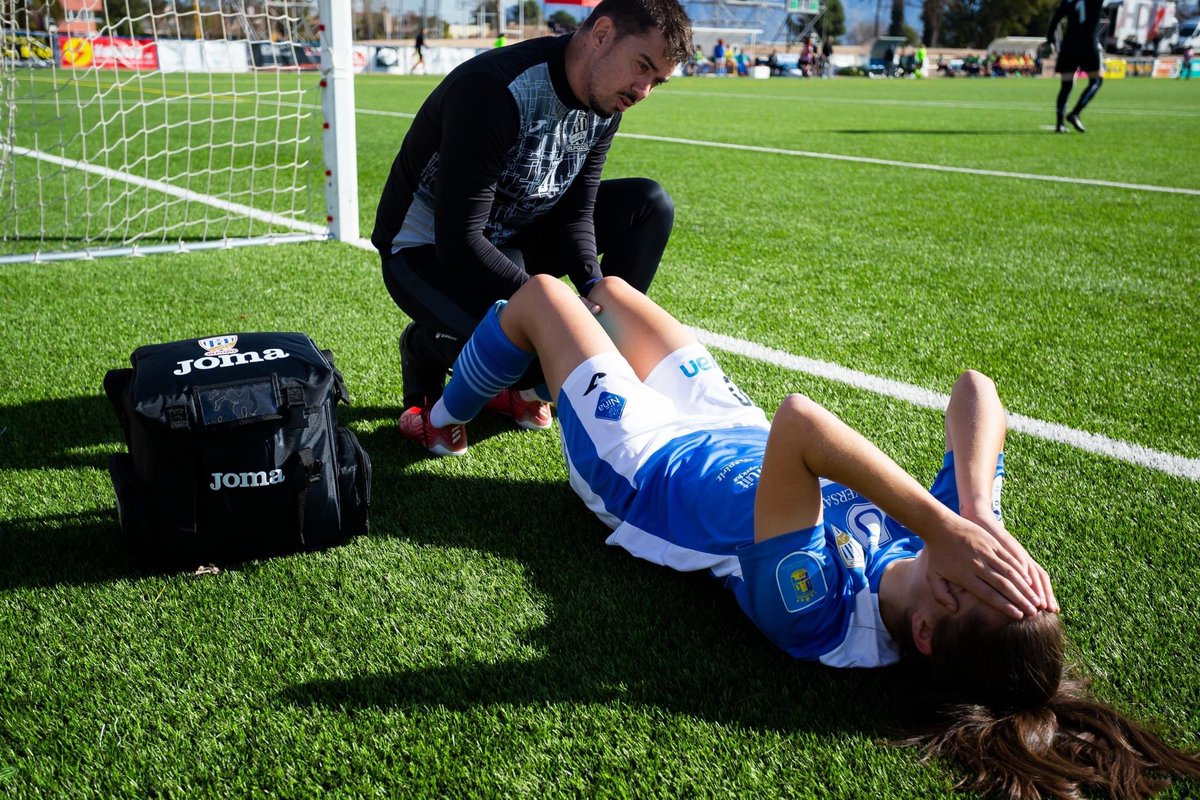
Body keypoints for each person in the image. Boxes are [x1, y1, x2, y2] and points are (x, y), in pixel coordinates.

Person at [418, 273, 1200, 799]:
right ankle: (527, 387)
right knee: (611, 292)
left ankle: (443, 422)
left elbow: (803, 423)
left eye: (975, 578)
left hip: (643, 468)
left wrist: (941, 522)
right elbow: (978, 391)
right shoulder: (956, 556)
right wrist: (981, 517)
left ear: (925, 631)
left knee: (542, 294)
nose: (975, 560)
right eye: (1003, 573)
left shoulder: (820, 615)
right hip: (730, 429)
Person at [370, 0, 692, 456]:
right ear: (601, 33)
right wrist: (557, 314)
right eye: (642, 66)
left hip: (513, 235)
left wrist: (592, 290)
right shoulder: (495, 89)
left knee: (649, 205)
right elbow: (461, 240)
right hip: (428, 251)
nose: (643, 90)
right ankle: (427, 345)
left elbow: (577, 215)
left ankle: (520, 389)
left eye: (656, 80)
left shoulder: (607, 100)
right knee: (544, 348)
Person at [1045, 0, 1105, 132]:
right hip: (1088, 44)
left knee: (1066, 85)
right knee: (1096, 81)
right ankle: (1075, 113)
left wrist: (1050, 39)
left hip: (1069, 45)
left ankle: (1060, 124)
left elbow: (1055, 19)